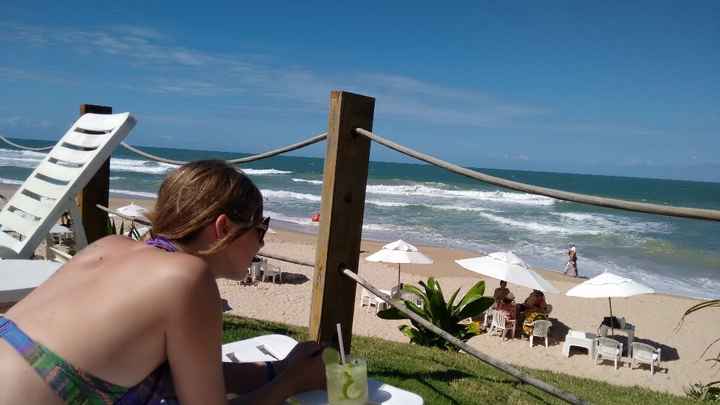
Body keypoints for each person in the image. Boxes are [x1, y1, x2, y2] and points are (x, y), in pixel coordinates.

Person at [0, 160, 325, 405]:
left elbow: (191, 375)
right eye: (261, 227)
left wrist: (280, 368)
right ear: (223, 227)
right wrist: (290, 384)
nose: (262, 243)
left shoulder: (108, 247)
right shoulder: (188, 279)